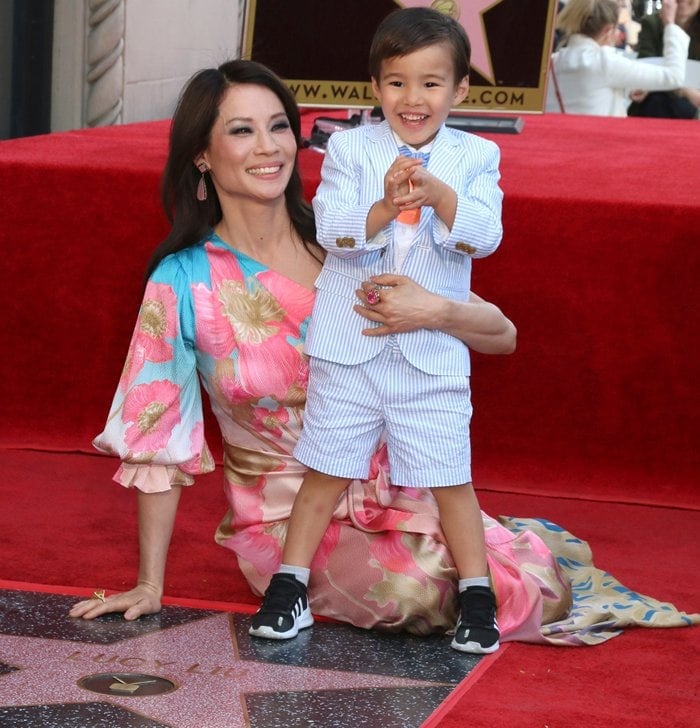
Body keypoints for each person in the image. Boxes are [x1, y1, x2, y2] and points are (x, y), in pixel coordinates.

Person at [66, 58, 526, 635]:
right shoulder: (183, 281)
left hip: (406, 484)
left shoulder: (355, 239)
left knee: (494, 580)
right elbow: (157, 434)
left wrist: (438, 311)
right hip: (285, 517)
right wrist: (150, 583)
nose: (269, 147)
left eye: (280, 125)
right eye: (241, 130)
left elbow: (502, 337)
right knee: (414, 593)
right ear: (201, 156)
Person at [249, 7, 502, 655]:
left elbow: (484, 236)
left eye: (430, 83)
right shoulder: (351, 148)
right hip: (350, 346)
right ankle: (289, 584)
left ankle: (478, 596)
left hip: (431, 353)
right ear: (375, 87)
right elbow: (331, 229)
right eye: (396, 82)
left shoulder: (477, 156)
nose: (412, 98)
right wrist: (387, 205)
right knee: (325, 469)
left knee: (451, 476)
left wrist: (438, 194)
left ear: (460, 89)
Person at [547, 0, 690, 115]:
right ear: (608, 30)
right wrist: (670, 25)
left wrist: (625, 89)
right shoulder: (606, 62)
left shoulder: (552, 62)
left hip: (558, 145)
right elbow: (673, 77)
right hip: (598, 145)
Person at [628, 0, 700, 118]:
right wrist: (686, 90)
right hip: (655, 104)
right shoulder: (651, 23)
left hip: (692, 111)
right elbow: (647, 72)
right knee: (657, 101)